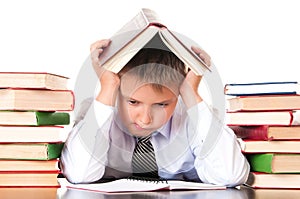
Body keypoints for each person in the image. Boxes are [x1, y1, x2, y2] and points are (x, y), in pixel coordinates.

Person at [60, 39, 250, 187]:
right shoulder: (98, 113)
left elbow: (230, 175)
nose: (145, 119)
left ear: (178, 94)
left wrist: (191, 94)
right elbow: (79, 174)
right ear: (117, 89)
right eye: (133, 102)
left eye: (162, 104)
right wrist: (107, 86)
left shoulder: (195, 118)